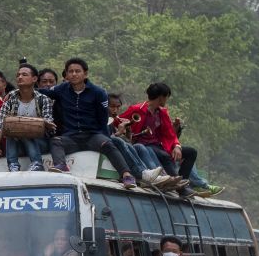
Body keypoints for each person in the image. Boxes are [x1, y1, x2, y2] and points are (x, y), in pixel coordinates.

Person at [37, 58, 137, 188]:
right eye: (70, 71)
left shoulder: (99, 92)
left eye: (77, 71)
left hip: (92, 135)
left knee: (108, 144)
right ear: (66, 74)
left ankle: (127, 175)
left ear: (85, 73)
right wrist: (16, 92)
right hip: (71, 137)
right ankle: (62, 167)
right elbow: (43, 92)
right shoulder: (61, 89)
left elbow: (103, 118)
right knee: (56, 141)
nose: (73, 74)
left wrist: (103, 136)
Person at [113, 83, 197, 198]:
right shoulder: (137, 109)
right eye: (166, 97)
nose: (166, 100)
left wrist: (177, 146)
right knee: (162, 155)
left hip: (158, 145)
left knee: (191, 152)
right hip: (141, 144)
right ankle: (177, 186)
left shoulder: (162, 112)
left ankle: (182, 182)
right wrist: (124, 128)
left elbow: (169, 133)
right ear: (161, 97)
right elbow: (118, 121)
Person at [0, 63, 55, 171]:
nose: (20, 77)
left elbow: (49, 124)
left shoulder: (43, 100)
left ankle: (37, 163)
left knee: (23, 129)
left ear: (34, 79)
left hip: (40, 143)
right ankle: (13, 165)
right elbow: (0, 124)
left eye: (24, 74)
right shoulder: (10, 100)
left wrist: (43, 123)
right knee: (12, 130)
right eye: (18, 75)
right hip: (18, 143)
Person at [106, 92, 171, 188]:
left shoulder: (111, 119)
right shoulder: (103, 118)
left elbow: (128, 143)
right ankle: (142, 174)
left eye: (118, 107)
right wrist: (119, 133)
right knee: (118, 140)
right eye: (112, 107)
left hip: (113, 146)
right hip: (102, 146)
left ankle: (146, 174)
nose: (116, 110)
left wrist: (128, 131)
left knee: (137, 146)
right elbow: (106, 137)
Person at [37, 68, 63, 135]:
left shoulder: (61, 99)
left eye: (51, 82)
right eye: (44, 81)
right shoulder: (33, 100)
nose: (48, 84)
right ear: (38, 84)